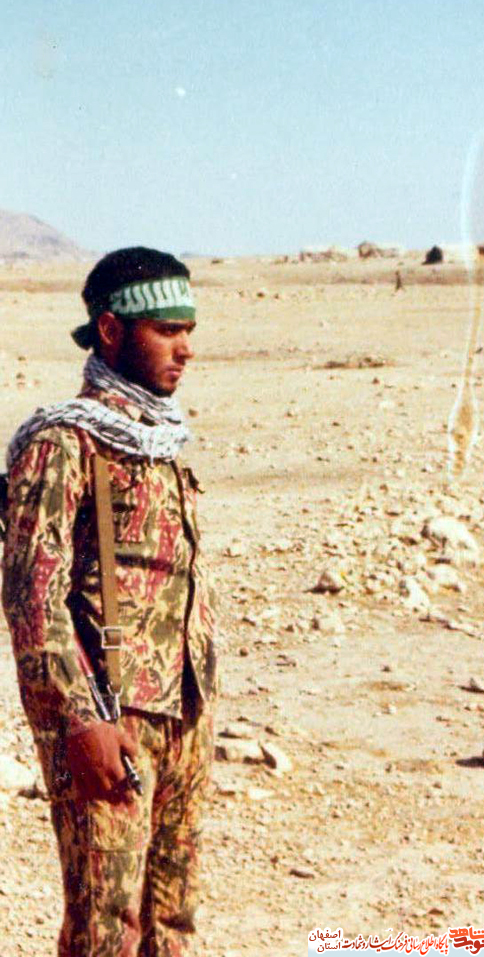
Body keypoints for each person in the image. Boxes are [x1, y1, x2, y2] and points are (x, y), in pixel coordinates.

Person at [2, 246, 218, 957]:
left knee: (169, 922)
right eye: (166, 329)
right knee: (106, 927)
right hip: (106, 717)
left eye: (189, 329)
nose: (185, 348)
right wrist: (80, 720)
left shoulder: (160, 438)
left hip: (181, 711)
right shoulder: (63, 441)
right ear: (110, 330)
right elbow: (32, 598)